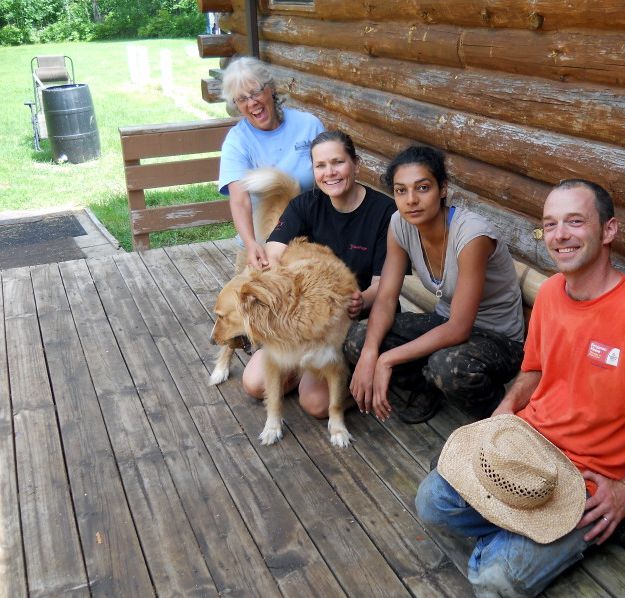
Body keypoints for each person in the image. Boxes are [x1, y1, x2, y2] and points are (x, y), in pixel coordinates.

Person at [415, 179, 625, 596]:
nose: (559, 235)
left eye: (575, 221)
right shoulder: (553, 292)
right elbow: (534, 370)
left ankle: (596, 524)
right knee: (432, 502)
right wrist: (505, 409)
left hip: (588, 481)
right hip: (528, 458)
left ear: (608, 230)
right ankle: (546, 534)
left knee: (494, 579)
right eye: (550, 224)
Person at [346, 145, 525, 424]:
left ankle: (493, 420)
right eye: (400, 190)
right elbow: (386, 298)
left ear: (442, 189)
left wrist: (386, 359)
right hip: (444, 323)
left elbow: (459, 327)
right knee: (358, 339)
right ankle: (428, 386)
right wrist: (370, 353)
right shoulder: (399, 224)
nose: (411, 200)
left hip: (498, 339)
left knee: (448, 366)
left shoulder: (471, 236)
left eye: (423, 188)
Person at [242, 130, 396, 418]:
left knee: (315, 404)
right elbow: (274, 252)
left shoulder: (384, 212)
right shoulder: (305, 205)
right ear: (313, 170)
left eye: (338, 162)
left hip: (352, 321)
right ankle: (304, 370)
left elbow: (384, 286)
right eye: (321, 166)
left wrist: (360, 300)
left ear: (356, 164)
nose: (330, 173)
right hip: (305, 319)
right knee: (253, 383)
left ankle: (352, 378)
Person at [218, 56, 325, 270]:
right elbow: (240, 201)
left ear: (271, 88)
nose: (252, 103)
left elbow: (331, 180)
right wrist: (250, 245)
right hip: (263, 244)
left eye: (256, 92)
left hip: (310, 243)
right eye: (241, 99)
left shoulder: (309, 126)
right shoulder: (237, 141)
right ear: (236, 105)